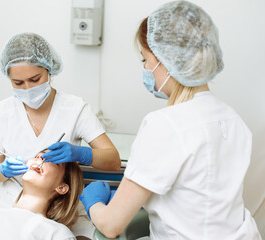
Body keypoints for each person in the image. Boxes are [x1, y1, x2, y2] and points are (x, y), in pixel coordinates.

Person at [79, 1, 262, 239]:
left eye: (144, 59)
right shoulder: (233, 120)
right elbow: (197, 199)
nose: (145, 68)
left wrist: (94, 203)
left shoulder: (165, 124)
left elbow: (112, 225)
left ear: (166, 60)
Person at [0, 32, 121, 238]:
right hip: (11, 209)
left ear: (49, 70)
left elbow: (113, 160)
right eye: (18, 83)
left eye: (35, 79)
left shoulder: (74, 109)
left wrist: (81, 154)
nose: (27, 88)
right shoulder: (1, 113)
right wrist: (2, 169)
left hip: (64, 212)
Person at [0, 152, 83, 240]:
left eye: (52, 160)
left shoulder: (57, 233)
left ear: (62, 187)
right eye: (37, 156)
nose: (40, 158)